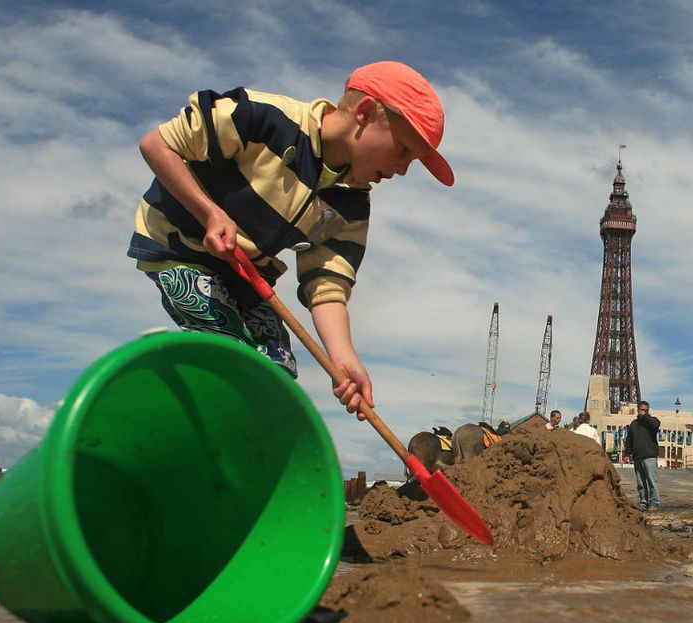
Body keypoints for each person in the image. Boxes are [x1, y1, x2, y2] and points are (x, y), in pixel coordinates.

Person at [128, 61, 453, 419]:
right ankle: (159, 395)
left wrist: (343, 358)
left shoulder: (352, 203)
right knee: (232, 356)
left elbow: (326, 285)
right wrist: (209, 213)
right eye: (404, 150)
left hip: (247, 276)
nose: (404, 170)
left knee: (276, 373)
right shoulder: (266, 119)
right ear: (364, 113)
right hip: (182, 248)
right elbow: (158, 144)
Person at [622, 401, 661, 511]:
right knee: (640, 483)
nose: (644, 412)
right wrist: (627, 454)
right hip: (637, 456)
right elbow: (629, 440)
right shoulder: (634, 424)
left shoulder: (652, 421)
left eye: (646, 410)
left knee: (652, 481)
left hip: (650, 456)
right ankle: (643, 503)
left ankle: (655, 503)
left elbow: (656, 425)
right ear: (638, 410)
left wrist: (646, 416)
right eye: (642, 410)